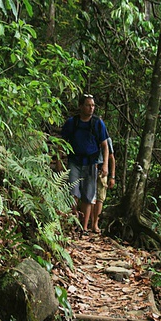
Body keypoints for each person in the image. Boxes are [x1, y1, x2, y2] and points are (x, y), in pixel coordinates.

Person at [61, 94, 109, 234]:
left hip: (91, 163)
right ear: (81, 106)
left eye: (93, 105)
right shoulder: (72, 122)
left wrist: (105, 165)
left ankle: (85, 227)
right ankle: (73, 221)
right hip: (74, 161)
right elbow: (62, 142)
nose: (91, 108)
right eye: (88, 105)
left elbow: (105, 146)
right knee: (73, 193)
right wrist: (59, 160)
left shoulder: (97, 123)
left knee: (88, 196)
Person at [92, 135, 115, 233]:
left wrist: (112, 176)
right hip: (90, 167)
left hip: (102, 169)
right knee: (90, 196)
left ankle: (95, 224)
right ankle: (89, 222)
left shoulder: (107, 139)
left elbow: (111, 158)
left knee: (100, 198)